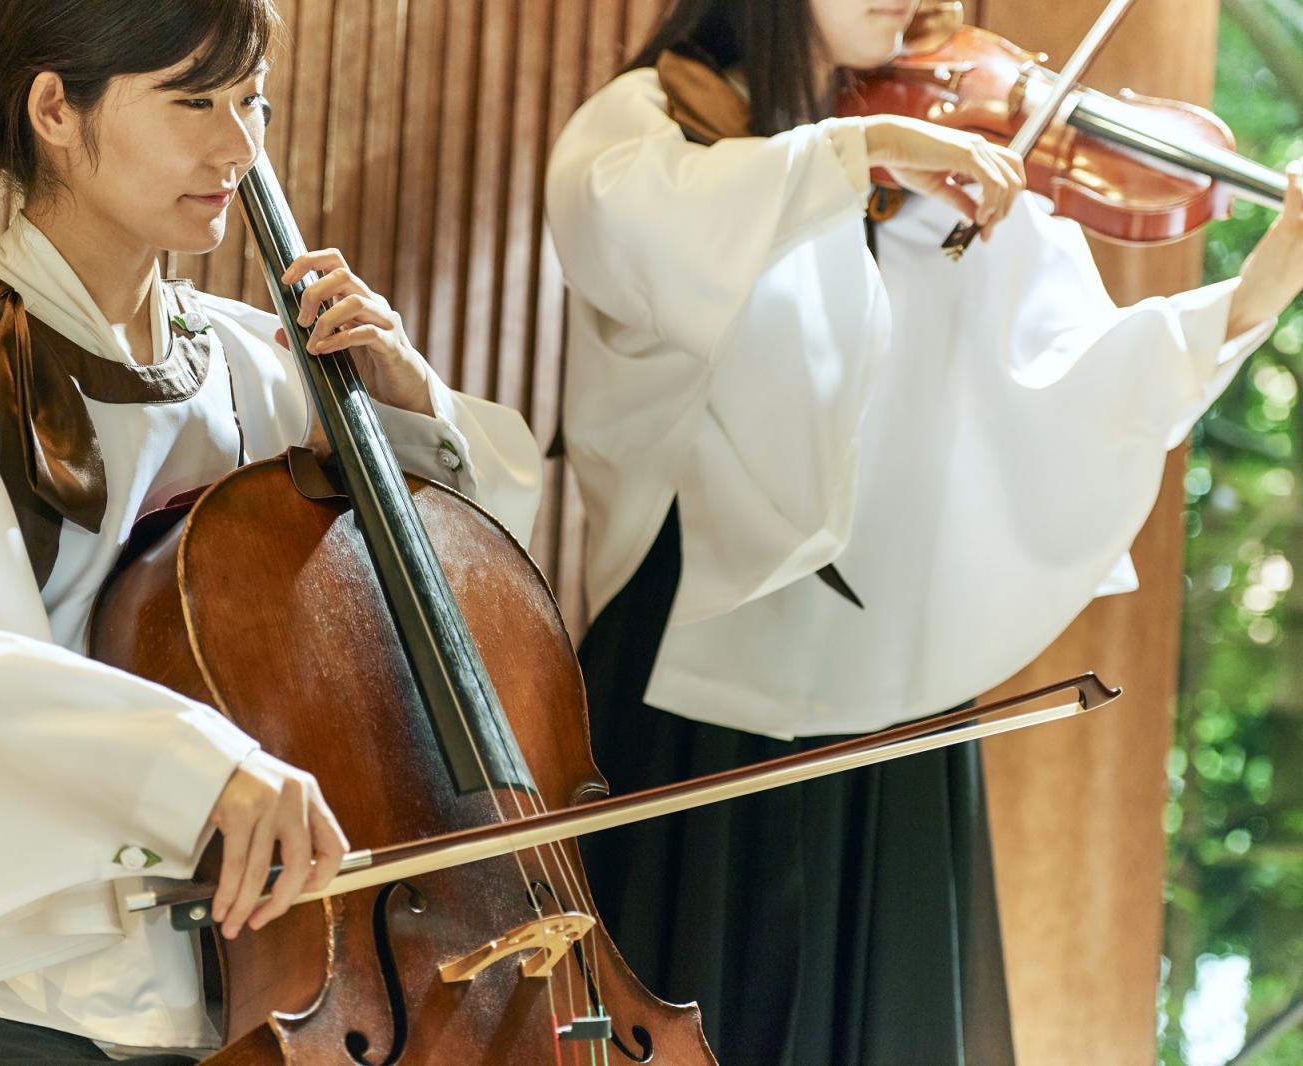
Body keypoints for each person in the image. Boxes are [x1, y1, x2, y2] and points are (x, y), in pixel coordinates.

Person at [0, 2, 541, 1063]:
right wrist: (197, 764)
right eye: (195, 103)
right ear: (55, 108)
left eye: (253, 102)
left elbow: (474, 590)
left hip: (230, 992)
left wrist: (413, 408)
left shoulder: (252, 364)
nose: (240, 148)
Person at [545, 0, 1303, 1062]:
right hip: (694, 669)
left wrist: (1266, 282)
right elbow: (618, 222)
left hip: (890, 680)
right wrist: (855, 151)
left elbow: (1069, 382)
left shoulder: (963, 148)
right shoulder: (666, 115)